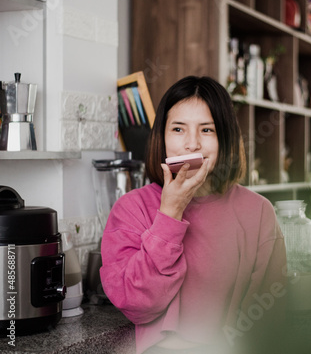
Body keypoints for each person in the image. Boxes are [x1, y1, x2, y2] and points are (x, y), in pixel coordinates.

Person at [100, 76, 287, 354]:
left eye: (207, 130)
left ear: (225, 138)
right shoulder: (131, 209)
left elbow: (272, 316)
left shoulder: (258, 211)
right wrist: (170, 214)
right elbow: (135, 305)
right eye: (178, 129)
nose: (192, 144)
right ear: (161, 138)